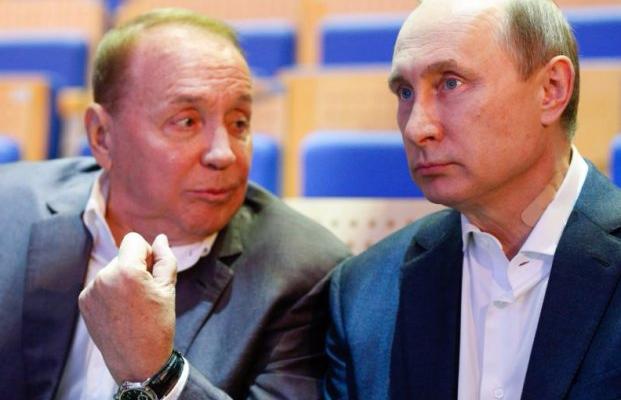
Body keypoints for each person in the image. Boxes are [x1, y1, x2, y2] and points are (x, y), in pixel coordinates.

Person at [0, 8, 350, 400]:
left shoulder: (301, 272)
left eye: (239, 122)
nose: (224, 153)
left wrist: (158, 374)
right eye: (187, 122)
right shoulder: (9, 211)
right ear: (101, 136)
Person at [323, 0, 621, 399]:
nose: (416, 128)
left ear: (551, 90)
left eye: (450, 83)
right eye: (405, 92)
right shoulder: (364, 293)